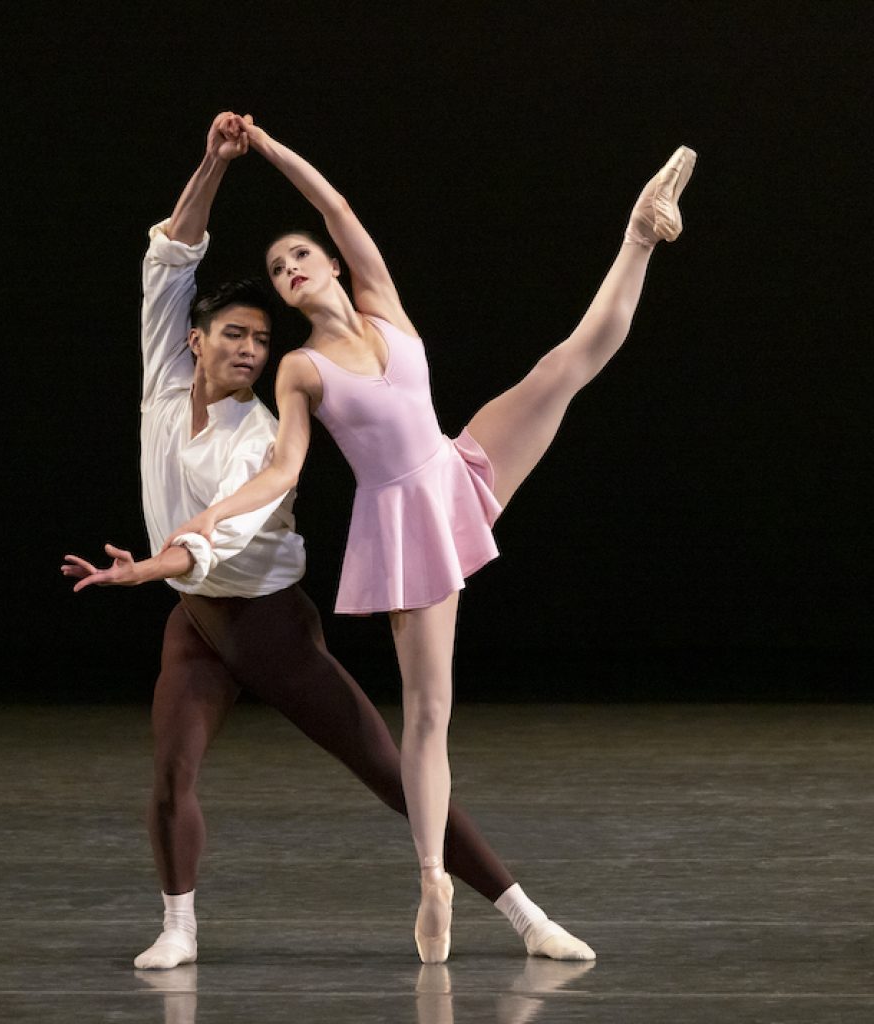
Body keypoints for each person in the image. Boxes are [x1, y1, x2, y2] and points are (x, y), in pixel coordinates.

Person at [62, 112, 595, 969]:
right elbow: (170, 258)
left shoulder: (263, 431)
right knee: (170, 773)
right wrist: (213, 163)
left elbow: (218, 537)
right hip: (196, 624)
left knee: (393, 770)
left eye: (261, 338)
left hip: (270, 626)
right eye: (232, 334)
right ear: (193, 342)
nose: (248, 348)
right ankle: (179, 928)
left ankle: (522, 911)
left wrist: (152, 566)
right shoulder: (164, 382)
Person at [164, 114, 696, 963]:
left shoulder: (382, 304)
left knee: (568, 363)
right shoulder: (302, 367)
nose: (292, 268)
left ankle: (638, 233)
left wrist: (267, 149)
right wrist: (211, 517)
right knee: (429, 714)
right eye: (277, 269)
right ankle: (432, 882)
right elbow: (283, 470)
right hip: (402, 525)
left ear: (332, 264)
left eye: (300, 255)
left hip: (457, 468)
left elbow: (334, 203)